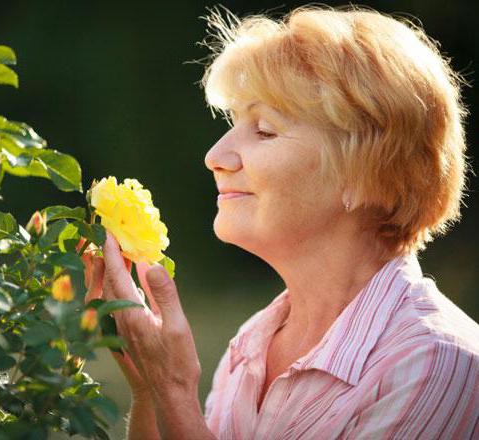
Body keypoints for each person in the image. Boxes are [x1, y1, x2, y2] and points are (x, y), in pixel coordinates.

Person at [81, 5, 479, 439]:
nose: (215, 157)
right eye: (235, 123)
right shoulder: (252, 344)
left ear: (369, 175)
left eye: (265, 130)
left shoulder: (433, 363)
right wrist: (149, 388)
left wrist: (174, 389)